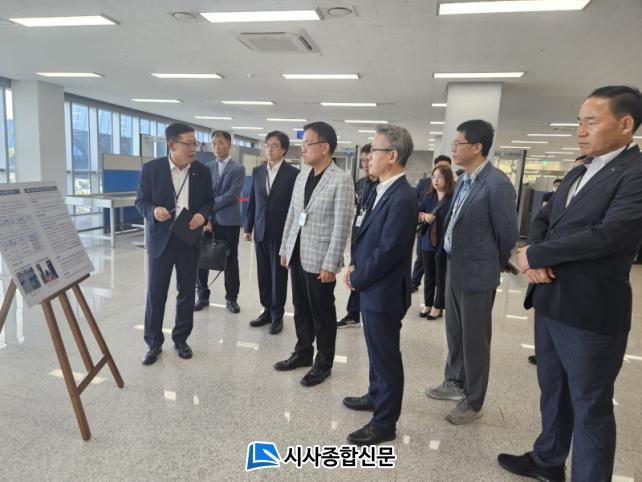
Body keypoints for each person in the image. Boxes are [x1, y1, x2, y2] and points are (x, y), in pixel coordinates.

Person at [498, 85, 642, 482]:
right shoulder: (581, 169)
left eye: (591, 122)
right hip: (551, 300)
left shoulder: (634, 174)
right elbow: (545, 218)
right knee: (554, 390)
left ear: (625, 124)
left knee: (591, 408)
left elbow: (611, 234)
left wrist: (539, 255)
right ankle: (548, 460)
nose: (580, 131)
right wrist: (533, 255)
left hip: (590, 312)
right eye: (579, 121)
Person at [426, 119, 518, 425]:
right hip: (454, 265)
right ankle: (454, 381)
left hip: (478, 272)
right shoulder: (464, 179)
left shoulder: (497, 184)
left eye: (458, 143)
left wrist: (493, 262)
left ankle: (474, 399)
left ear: (477, 147)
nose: (453, 148)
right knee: (455, 330)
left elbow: (507, 234)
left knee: (475, 339)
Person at [342, 124, 418, 446]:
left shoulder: (403, 197)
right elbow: (367, 235)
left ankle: (385, 423)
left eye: (373, 150)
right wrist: (355, 265)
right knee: (375, 350)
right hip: (372, 286)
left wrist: (358, 277)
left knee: (386, 357)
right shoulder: (381, 189)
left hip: (384, 292)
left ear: (392, 155)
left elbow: (389, 251)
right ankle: (375, 395)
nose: (368, 156)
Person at [274, 121, 354, 387]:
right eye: (302, 144)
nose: (302, 149)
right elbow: (292, 215)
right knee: (300, 308)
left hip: (320, 259)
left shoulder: (341, 179)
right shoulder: (301, 177)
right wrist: (285, 249)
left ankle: (324, 363)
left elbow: (341, 226)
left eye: (307, 143)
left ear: (324, 147)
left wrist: (331, 264)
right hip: (298, 253)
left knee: (322, 313)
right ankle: (303, 352)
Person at [135, 123, 213, 365]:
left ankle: (181, 339)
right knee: (156, 293)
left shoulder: (201, 171)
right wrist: (153, 211)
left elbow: (209, 202)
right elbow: (141, 201)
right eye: (188, 144)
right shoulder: (151, 169)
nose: (193, 149)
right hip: (161, 240)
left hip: (189, 240)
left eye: (195, 144)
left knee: (187, 292)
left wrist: (202, 216)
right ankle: (153, 342)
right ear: (171, 145)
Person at [244, 131, 298, 335]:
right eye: (267, 145)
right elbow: (253, 202)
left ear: (283, 149)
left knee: (278, 277)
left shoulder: (292, 174)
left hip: (280, 233)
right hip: (260, 231)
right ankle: (266, 310)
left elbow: (294, 206)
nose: (269, 149)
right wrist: (248, 227)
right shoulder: (258, 171)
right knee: (263, 274)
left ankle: (277, 315)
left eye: (274, 146)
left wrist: (292, 235)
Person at [194, 130, 245, 314]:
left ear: (229, 144)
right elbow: (202, 195)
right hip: (208, 221)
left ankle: (231, 298)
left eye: (221, 142)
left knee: (230, 260)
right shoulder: (206, 168)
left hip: (229, 222)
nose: (216, 147)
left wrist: (210, 206)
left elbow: (232, 195)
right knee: (201, 258)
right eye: (214, 143)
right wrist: (206, 218)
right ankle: (202, 296)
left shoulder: (238, 168)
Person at [337, 143, 378, 328]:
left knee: (368, 276)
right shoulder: (360, 184)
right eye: (363, 160)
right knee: (355, 271)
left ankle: (369, 315)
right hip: (357, 233)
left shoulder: (384, 186)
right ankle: (353, 314)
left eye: (369, 160)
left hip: (372, 238)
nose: (365, 164)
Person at [417, 163, 455, 319]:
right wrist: (424, 216)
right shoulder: (428, 197)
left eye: (440, 177)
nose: (436, 180)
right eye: (434, 177)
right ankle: (427, 304)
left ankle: (438, 306)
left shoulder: (453, 199)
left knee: (441, 275)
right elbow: (416, 212)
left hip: (444, 243)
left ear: (448, 179)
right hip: (427, 242)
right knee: (429, 275)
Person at [411, 155, 452, 292]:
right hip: (426, 231)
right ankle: (414, 282)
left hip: (443, 235)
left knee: (440, 270)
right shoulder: (424, 184)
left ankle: (438, 295)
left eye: (446, 168)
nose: (437, 179)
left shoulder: (453, 190)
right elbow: (415, 205)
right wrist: (423, 216)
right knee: (422, 260)